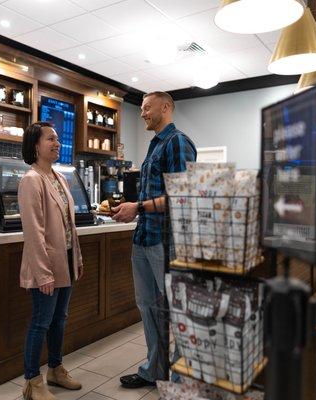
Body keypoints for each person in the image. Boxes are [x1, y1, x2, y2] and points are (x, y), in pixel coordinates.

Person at [112, 91, 197, 388]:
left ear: (166, 107)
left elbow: (183, 196)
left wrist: (138, 207)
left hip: (168, 241)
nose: (142, 113)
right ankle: (155, 370)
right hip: (145, 237)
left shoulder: (178, 143)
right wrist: (135, 208)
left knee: (176, 311)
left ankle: (180, 380)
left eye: (147, 108)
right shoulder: (155, 145)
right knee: (148, 307)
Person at [18, 122, 84, 400]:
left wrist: (76, 257)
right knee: (41, 322)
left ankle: (55, 369)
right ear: (35, 145)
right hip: (45, 265)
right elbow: (34, 232)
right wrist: (43, 274)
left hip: (65, 260)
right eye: (50, 139)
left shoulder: (60, 178)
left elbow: (69, 225)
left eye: (58, 139)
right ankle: (32, 383)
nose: (57, 143)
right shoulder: (31, 180)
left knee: (60, 319)